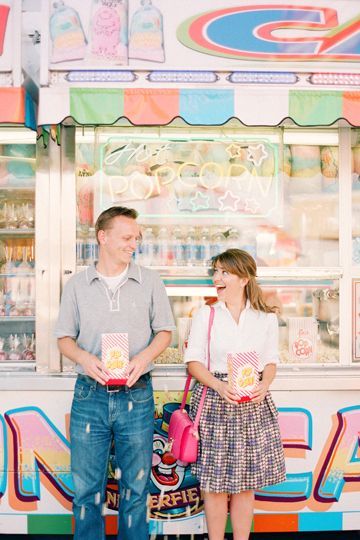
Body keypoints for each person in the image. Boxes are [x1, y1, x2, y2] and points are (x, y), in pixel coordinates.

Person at [55, 206, 175, 540]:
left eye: (136, 237)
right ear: (102, 237)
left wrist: (144, 357)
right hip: (89, 394)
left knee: (136, 491)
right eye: (126, 237)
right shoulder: (77, 284)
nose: (133, 243)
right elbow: (64, 337)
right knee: (86, 492)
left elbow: (165, 331)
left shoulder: (149, 281)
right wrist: (84, 358)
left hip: (137, 394)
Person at [184, 248, 286, 540]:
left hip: (253, 403)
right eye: (215, 271)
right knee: (214, 486)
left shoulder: (264, 318)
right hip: (217, 401)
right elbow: (193, 362)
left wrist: (264, 384)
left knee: (245, 485)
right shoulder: (207, 314)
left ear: (244, 279)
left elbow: (270, 360)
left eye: (224, 272)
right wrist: (217, 385)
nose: (217, 277)